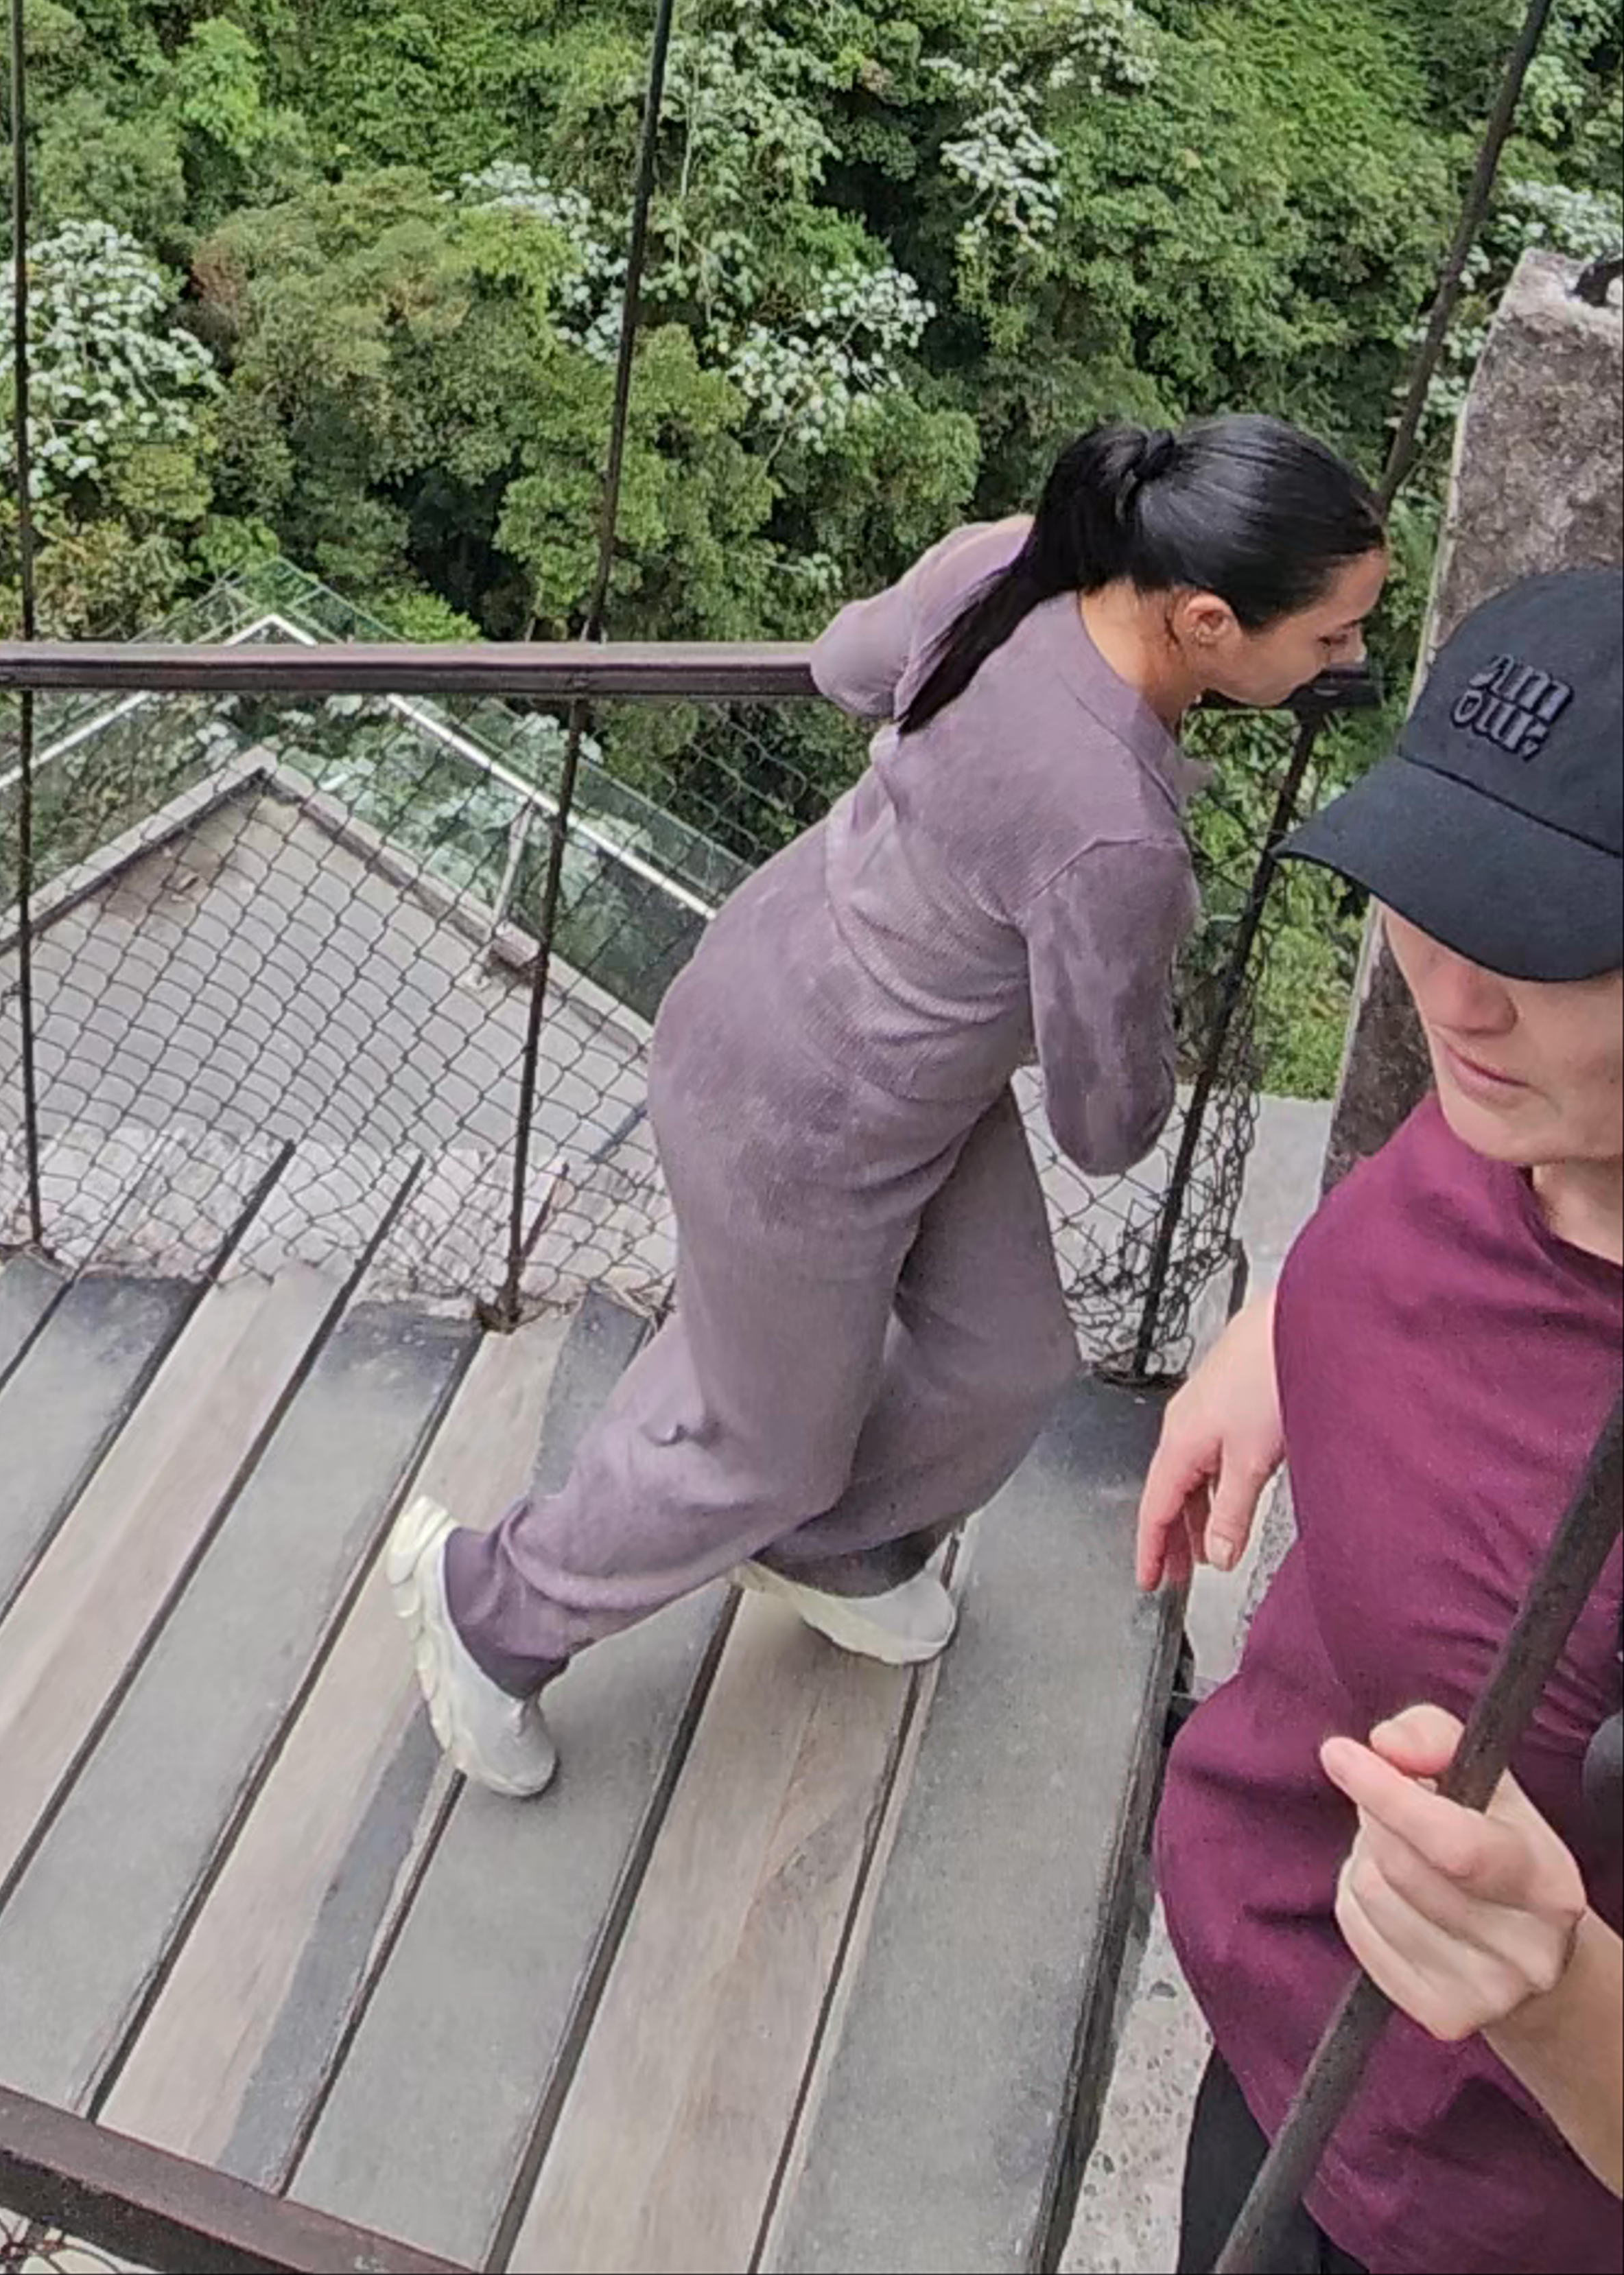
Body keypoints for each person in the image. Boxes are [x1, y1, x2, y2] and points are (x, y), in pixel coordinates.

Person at [388, 414, 1388, 1795]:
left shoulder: (1016, 564)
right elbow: (1106, 1124)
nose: (1347, 662)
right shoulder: (1115, 834)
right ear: (1210, 620)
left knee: (1003, 1358)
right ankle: (492, 1608)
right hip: (797, 1117)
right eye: (1332, 635)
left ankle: (826, 1545)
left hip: (839, 1012)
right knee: (760, 1440)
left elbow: (847, 662)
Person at [1145, 563, 1624, 2275]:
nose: (1455, 990)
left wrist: (1558, 1988)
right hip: (1276, 2002)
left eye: (1549, 939)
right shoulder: (1542, 1109)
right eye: (1437, 887)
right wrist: (1297, 1323)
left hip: (1435, 2192)